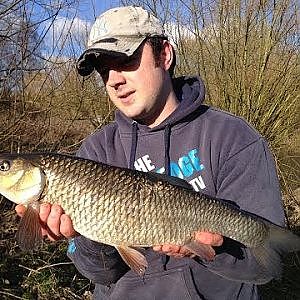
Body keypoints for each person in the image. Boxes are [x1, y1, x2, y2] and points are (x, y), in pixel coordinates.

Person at [16, 5, 285, 300]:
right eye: (104, 70)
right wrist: (84, 236)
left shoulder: (233, 137)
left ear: (164, 55)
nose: (114, 80)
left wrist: (214, 249)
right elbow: (101, 274)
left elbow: (263, 270)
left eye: (125, 60)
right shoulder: (95, 150)